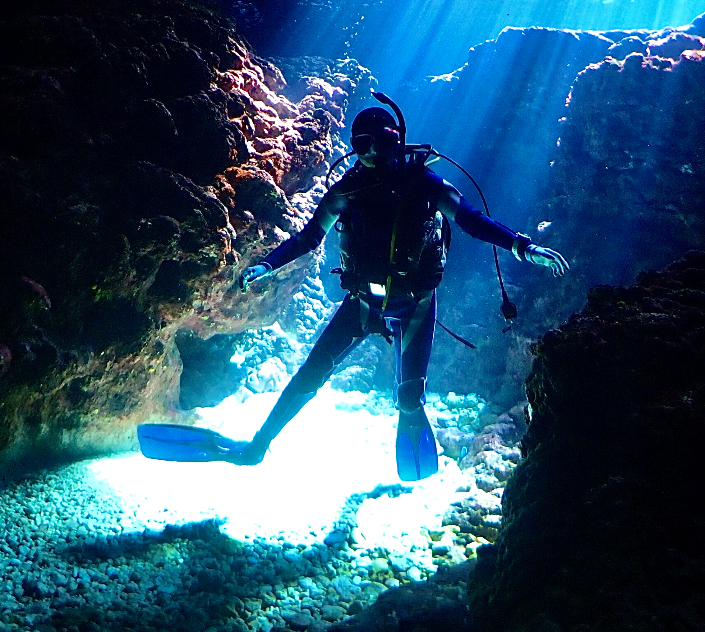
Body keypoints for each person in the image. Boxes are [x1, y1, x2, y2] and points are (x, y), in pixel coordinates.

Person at [230, 105, 568, 480]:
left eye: (384, 141)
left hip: (416, 303)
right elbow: (308, 238)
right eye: (364, 144)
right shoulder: (347, 191)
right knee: (311, 374)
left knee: (409, 399)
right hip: (364, 301)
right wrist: (267, 265)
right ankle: (256, 446)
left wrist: (523, 246)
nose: (374, 152)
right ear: (355, 147)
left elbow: (472, 221)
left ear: (397, 140)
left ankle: (410, 427)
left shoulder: (424, 183)